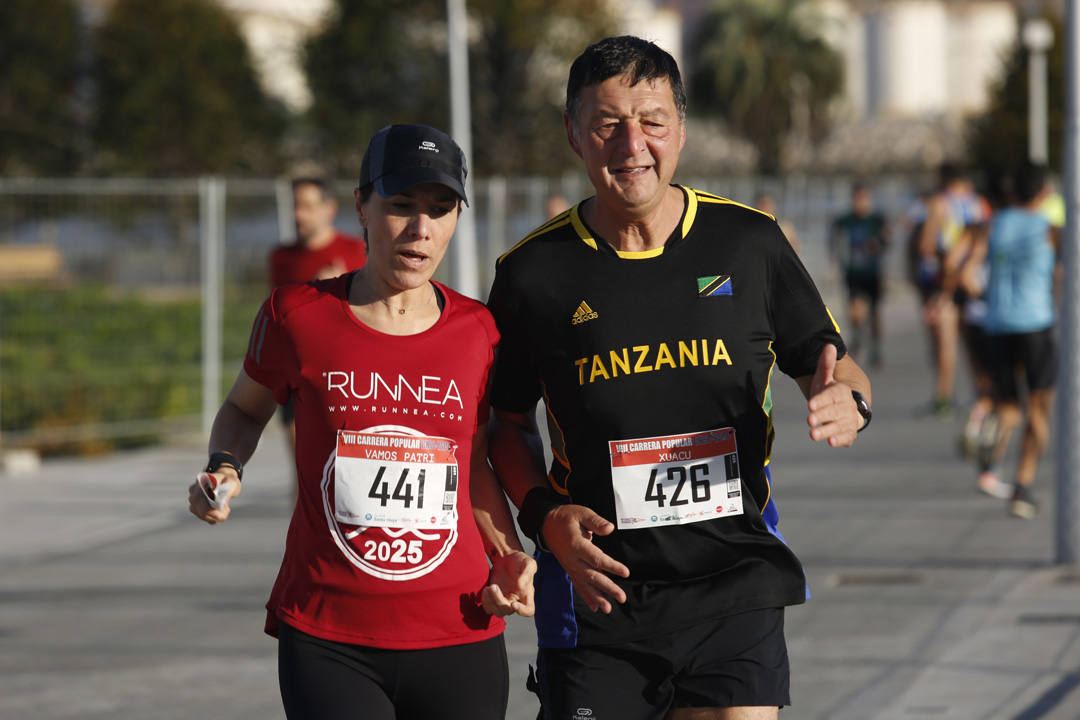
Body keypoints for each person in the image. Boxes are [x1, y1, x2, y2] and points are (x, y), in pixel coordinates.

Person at [486, 36, 872, 720]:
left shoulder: (748, 244)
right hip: (599, 593)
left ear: (681, 131)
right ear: (574, 135)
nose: (632, 143)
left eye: (652, 120)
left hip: (735, 584)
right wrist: (545, 519)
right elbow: (505, 425)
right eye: (607, 123)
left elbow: (833, 366)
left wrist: (849, 402)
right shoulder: (532, 275)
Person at [188, 124, 536, 720]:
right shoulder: (297, 314)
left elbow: (471, 463)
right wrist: (224, 466)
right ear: (361, 207)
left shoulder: (478, 331)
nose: (420, 229)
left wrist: (508, 552)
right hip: (329, 636)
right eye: (401, 205)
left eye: (440, 209)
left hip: (458, 625)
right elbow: (245, 408)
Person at [269, 177, 369, 488]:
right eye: (296, 206)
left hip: (347, 377)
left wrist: (338, 287)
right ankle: (298, 536)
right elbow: (276, 318)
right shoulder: (281, 258)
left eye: (308, 207)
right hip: (296, 374)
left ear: (329, 209)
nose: (299, 215)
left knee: (345, 475)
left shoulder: (356, 252)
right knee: (305, 473)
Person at [976, 161, 1058, 519]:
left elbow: (961, 271)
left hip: (997, 326)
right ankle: (1023, 487)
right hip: (1035, 326)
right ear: (1044, 192)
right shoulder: (1051, 230)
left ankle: (987, 449)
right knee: (1038, 415)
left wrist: (984, 298)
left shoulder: (992, 225)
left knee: (1008, 406)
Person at [913, 164, 989, 416]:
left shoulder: (939, 203)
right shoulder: (979, 203)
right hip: (971, 279)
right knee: (972, 341)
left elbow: (926, 245)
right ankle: (982, 393)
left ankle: (944, 397)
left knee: (945, 343)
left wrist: (945, 260)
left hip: (943, 280)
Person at [830, 182, 888, 367]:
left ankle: (876, 348)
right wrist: (836, 259)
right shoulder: (846, 220)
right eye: (856, 199)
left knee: (874, 313)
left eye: (863, 198)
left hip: (873, 272)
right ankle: (857, 338)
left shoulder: (876, 220)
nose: (859, 203)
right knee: (854, 309)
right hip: (854, 272)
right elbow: (834, 237)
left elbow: (887, 240)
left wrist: (877, 244)